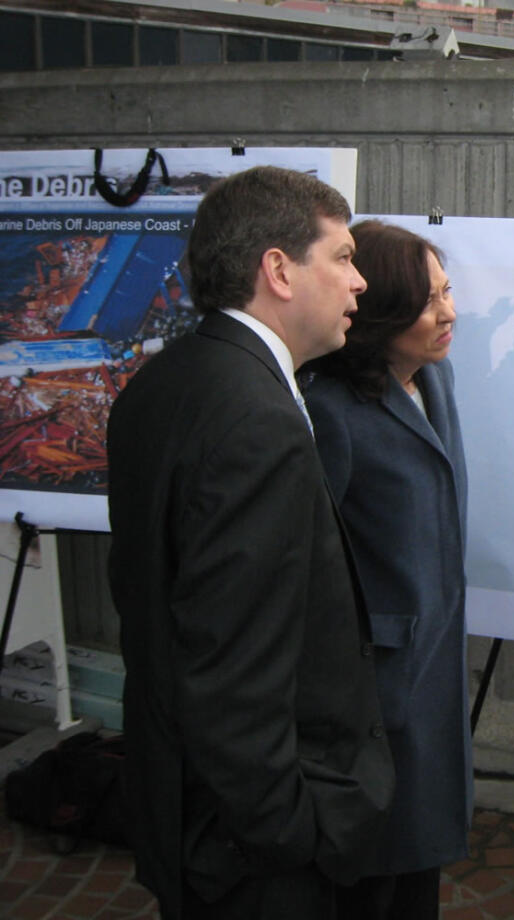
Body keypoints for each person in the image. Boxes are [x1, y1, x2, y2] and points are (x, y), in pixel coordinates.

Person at [106, 166, 395, 920]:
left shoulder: (161, 382)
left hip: (189, 810)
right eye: (341, 257)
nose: (358, 282)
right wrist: (293, 834)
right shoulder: (255, 418)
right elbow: (232, 664)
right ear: (278, 270)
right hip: (250, 853)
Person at [302, 219, 470, 919]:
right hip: (372, 696)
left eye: (448, 291)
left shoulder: (436, 377)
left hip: (434, 676)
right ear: (378, 313)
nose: (448, 313)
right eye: (427, 301)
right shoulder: (330, 409)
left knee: (418, 872)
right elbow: (311, 567)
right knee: (372, 876)